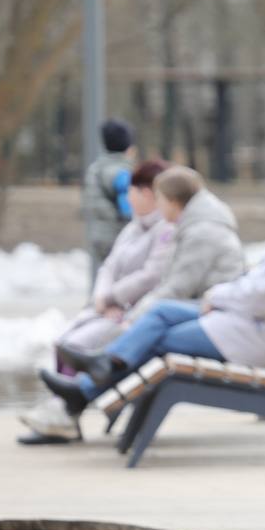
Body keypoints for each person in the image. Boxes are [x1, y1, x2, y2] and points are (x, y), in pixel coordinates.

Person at [34, 183, 265, 423]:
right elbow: (254, 288)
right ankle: (101, 367)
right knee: (161, 312)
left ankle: (87, 388)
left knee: (160, 339)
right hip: (239, 323)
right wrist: (220, 297)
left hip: (252, 337)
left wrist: (217, 296)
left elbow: (262, 296)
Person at [18, 159, 174, 443]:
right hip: (110, 308)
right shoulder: (133, 228)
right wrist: (102, 299)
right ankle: (60, 418)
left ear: (148, 193)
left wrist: (114, 299)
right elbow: (108, 267)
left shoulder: (166, 230)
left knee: (78, 345)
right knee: (64, 342)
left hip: (134, 314)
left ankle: (63, 417)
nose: (128, 197)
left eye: (132, 191)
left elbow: (152, 276)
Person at [125, 166, 245, 322]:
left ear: (173, 201)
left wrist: (132, 318)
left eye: (159, 198)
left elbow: (178, 288)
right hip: (204, 304)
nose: (158, 205)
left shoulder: (201, 232)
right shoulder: (192, 225)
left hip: (214, 310)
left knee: (151, 320)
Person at [81, 119, 137, 262]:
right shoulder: (121, 172)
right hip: (119, 237)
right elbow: (128, 209)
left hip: (100, 235)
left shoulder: (96, 168)